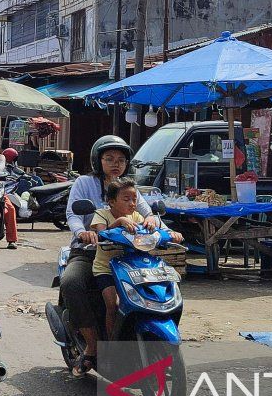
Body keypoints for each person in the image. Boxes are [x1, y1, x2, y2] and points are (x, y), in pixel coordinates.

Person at [60, 135, 181, 376]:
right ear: (98, 160)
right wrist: (82, 232)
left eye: (121, 160)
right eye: (109, 159)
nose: (116, 164)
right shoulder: (84, 182)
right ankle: (92, 348)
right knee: (72, 282)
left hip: (128, 252)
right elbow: (73, 214)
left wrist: (160, 226)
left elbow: (149, 214)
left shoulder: (128, 187)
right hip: (91, 251)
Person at [91, 178, 146, 342]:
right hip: (106, 269)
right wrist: (120, 221)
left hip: (131, 269)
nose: (132, 203)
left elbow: (146, 232)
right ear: (112, 202)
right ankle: (112, 344)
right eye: (126, 199)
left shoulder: (136, 216)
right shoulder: (102, 214)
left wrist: (155, 226)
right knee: (113, 304)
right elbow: (102, 233)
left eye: (134, 199)